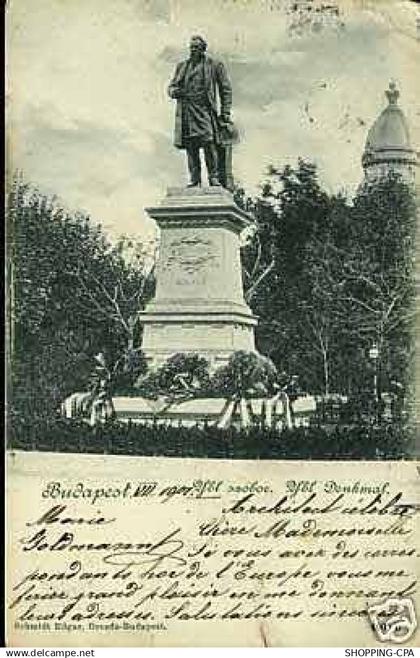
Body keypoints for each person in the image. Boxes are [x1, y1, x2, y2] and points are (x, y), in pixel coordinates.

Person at [168, 35, 234, 187]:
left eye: (196, 47)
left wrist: (225, 112)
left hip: (205, 110)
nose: (193, 50)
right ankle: (195, 179)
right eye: (191, 47)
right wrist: (174, 92)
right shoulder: (182, 66)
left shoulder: (214, 65)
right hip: (187, 111)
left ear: (203, 49)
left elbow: (225, 89)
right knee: (191, 146)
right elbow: (171, 87)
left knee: (208, 142)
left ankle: (214, 177)